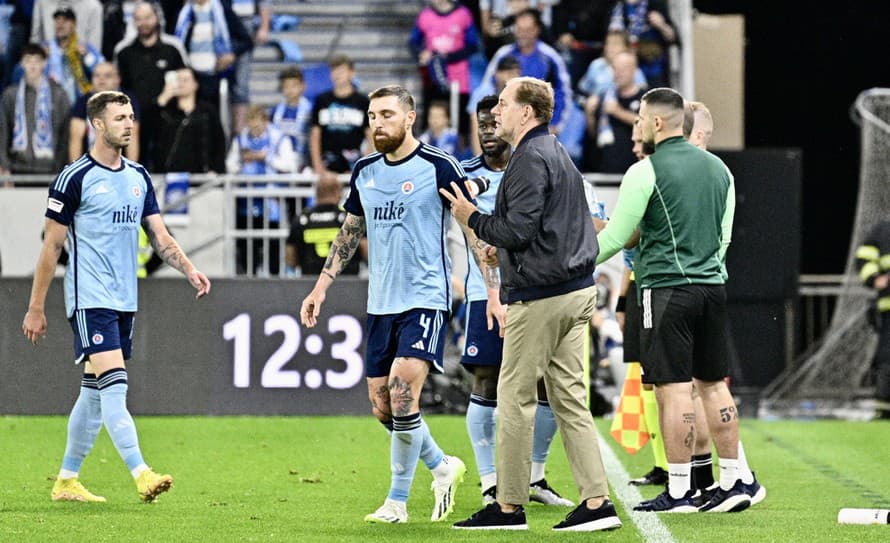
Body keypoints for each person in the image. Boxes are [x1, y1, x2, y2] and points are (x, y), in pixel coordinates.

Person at [445, 76, 622, 532]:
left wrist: (472, 219)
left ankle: (507, 507)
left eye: (503, 103)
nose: (495, 112)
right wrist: (499, 248)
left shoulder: (527, 158)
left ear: (526, 112)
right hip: (577, 291)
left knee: (513, 398)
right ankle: (597, 502)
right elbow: (557, 227)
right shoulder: (558, 152)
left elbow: (519, 231)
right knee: (570, 402)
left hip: (542, 297)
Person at [21, 90, 211, 503]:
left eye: (131, 116)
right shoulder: (75, 177)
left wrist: (189, 268)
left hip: (125, 299)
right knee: (115, 386)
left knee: (92, 393)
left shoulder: (138, 177)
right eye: (120, 117)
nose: (129, 123)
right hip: (90, 298)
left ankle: (67, 480)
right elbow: (51, 248)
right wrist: (36, 307)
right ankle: (141, 472)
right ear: (98, 124)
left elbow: (159, 236)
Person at [299, 84, 474, 524]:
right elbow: (349, 233)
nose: (377, 123)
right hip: (381, 303)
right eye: (373, 116)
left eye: (387, 115)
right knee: (383, 406)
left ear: (410, 118)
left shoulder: (439, 166)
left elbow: (472, 227)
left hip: (426, 298)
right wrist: (321, 286)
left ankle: (396, 502)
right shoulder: (364, 171)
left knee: (401, 391)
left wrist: (490, 288)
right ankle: (441, 466)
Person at [595, 87, 753, 513]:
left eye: (641, 118)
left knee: (675, 390)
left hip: (665, 289)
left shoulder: (645, 171)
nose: (638, 125)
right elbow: (724, 239)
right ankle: (736, 480)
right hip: (712, 288)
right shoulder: (721, 169)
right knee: (713, 384)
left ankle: (680, 491)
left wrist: (565, 260)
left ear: (659, 123)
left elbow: (613, 238)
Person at [458, 94, 575, 509]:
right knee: (486, 380)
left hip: (533, 292)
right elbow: (475, 236)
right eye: (481, 124)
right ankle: (490, 481)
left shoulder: (533, 165)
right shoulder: (465, 174)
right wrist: (490, 289)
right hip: (483, 295)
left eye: (494, 122)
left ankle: (536, 477)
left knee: (544, 385)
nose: (487, 131)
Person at [114, 0, 189, 172]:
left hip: (168, 120)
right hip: (135, 122)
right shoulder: (124, 52)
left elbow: (187, 79)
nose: (144, 23)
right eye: (138, 19)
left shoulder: (172, 48)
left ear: (157, 18)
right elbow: (118, 88)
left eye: (148, 17)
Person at [226, 103, 296, 276]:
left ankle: (273, 276)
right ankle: (248, 276)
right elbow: (230, 165)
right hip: (246, 204)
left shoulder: (279, 138)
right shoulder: (241, 139)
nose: (254, 128)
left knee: (273, 243)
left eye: (257, 124)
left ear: (265, 121)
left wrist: (266, 158)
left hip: (271, 203)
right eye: (251, 124)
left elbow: (289, 165)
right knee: (247, 244)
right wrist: (242, 162)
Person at [480, 8, 573, 136]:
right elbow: (487, 87)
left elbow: (563, 93)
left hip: (540, 125)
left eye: (527, 30)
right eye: (519, 29)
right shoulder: (503, 54)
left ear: (537, 30)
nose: (522, 34)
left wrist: (556, 126)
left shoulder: (551, 57)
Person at [408, 0, 480, 142]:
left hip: (458, 80)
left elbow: (473, 45)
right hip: (432, 79)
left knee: (459, 126)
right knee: (432, 121)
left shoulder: (463, 14)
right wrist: (421, 54)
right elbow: (413, 43)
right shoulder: (426, 15)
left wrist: (447, 57)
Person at [0, 43, 70, 176]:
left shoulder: (59, 94)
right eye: (27, 61)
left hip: (50, 169)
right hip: (17, 168)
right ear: (21, 64)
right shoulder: (10, 95)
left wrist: (60, 169)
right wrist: (4, 165)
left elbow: (65, 135)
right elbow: (3, 132)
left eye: (37, 61)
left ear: (44, 63)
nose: (32, 66)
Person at [285, 172, 366, 277]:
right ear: (338, 191)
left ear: (317, 193)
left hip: (310, 285)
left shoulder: (301, 219)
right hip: (346, 284)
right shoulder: (349, 218)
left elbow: (291, 259)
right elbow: (366, 251)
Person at [154, 66, 227, 173]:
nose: (181, 83)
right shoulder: (165, 111)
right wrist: (163, 99)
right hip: (168, 177)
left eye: (185, 80)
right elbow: (148, 130)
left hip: (203, 176)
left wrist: (217, 169)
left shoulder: (207, 111)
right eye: (178, 79)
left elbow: (219, 141)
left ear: (195, 84)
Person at [582, 50, 645, 174]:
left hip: (635, 171)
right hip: (605, 171)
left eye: (624, 69)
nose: (619, 73)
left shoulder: (645, 98)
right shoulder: (605, 97)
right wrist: (589, 115)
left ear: (634, 70)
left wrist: (618, 112)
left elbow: (649, 127)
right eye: (615, 69)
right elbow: (593, 134)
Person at [308, 54, 371, 176]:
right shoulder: (322, 100)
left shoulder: (363, 102)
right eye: (334, 71)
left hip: (353, 163)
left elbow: (372, 137)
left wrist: (363, 167)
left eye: (341, 71)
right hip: (327, 162)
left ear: (352, 73)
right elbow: (315, 136)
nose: (337, 75)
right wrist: (318, 167)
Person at [69, 61, 140, 163]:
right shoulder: (83, 102)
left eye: (107, 76)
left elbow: (132, 137)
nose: (101, 79)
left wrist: (131, 171)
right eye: (97, 75)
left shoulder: (128, 101)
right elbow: (75, 139)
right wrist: (75, 171)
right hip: (90, 163)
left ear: (117, 79)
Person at [857, 219, 890, 420]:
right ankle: (884, 408)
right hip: (888, 310)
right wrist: (874, 278)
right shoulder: (883, 231)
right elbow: (864, 257)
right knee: (887, 359)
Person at [607, 0, 676, 89]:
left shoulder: (655, 4)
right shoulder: (616, 6)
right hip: (625, 66)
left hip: (652, 68)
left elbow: (673, 39)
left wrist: (661, 25)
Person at [44, 5, 105, 106]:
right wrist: (42, 59)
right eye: (57, 21)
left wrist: (87, 57)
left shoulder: (84, 48)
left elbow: (103, 69)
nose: (60, 24)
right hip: (52, 103)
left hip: (80, 101)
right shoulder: (46, 49)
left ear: (74, 24)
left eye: (65, 21)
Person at [270, 66, 313, 173]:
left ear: (303, 86)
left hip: (303, 162)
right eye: (286, 86)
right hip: (280, 161)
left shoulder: (310, 110)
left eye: (294, 86)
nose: (290, 90)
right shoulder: (276, 111)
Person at [31, 0, 103, 51]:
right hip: (48, 65)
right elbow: (35, 40)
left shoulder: (94, 6)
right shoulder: (41, 2)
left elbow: (95, 50)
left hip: (81, 66)